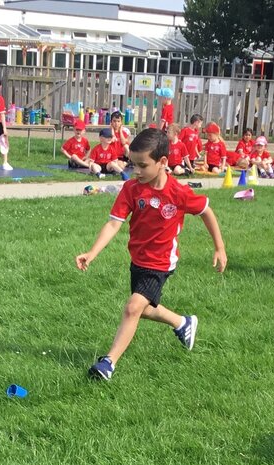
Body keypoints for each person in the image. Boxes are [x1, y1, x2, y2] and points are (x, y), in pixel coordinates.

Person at [75, 128, 227, 382]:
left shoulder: (178, 193)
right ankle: (182, 323)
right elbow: (113, 223)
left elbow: (206, 211)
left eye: (143, 165)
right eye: (133, 164)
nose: (136, 170)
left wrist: (219, 247)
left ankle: (108, 363)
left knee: (133, 308)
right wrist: (92, 253)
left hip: (161, 263)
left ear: (163, 162)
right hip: (138, 260)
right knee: (144, 310)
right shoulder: (131, 189)